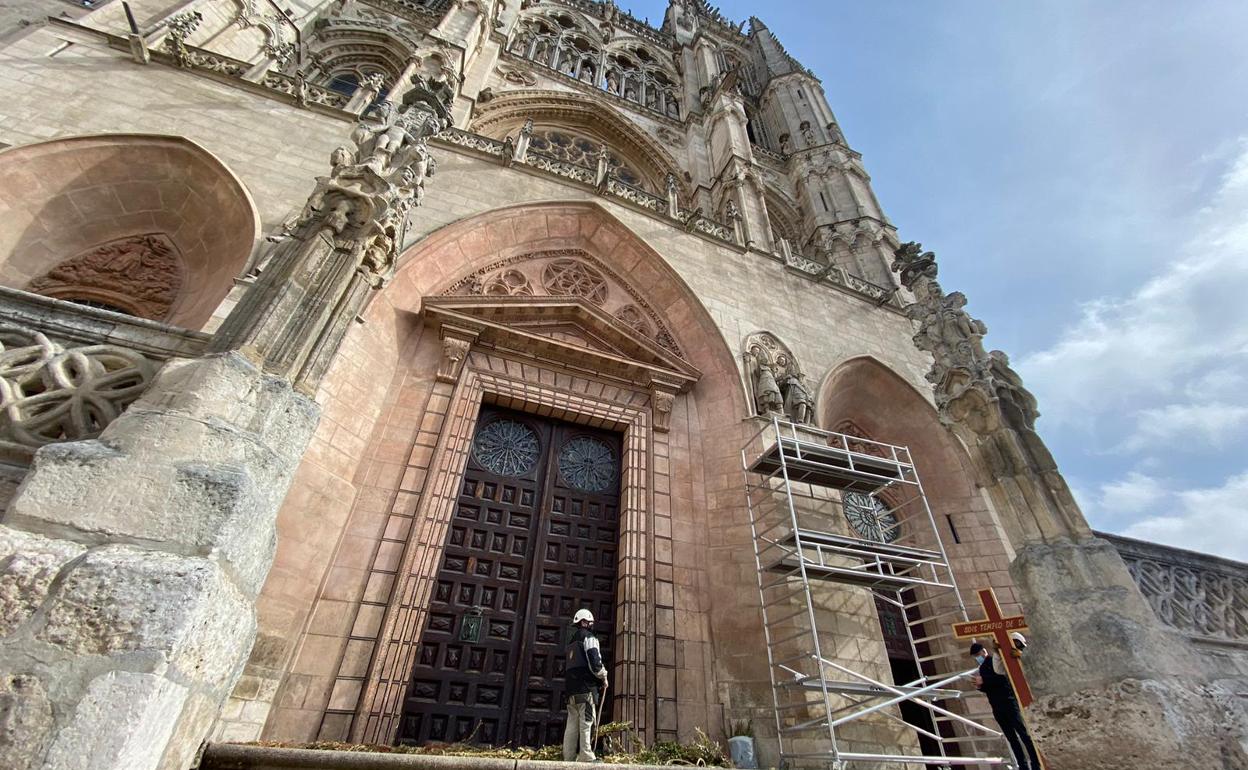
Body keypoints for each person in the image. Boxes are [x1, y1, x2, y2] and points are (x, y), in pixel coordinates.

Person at [970, 640, 1042, 770]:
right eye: (975, 656)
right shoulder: (982, 668)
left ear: (983, 651)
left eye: (977, 654)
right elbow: (989, 687)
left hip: (1008, 702)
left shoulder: (995, 661)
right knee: (1011, 738)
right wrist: (980, 686)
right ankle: (1023, 765)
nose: (977, 658)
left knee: (1023, 734)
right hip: (997, 706)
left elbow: (1002, 678)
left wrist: (984, 680)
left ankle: (1036, 763)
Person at [564, 608, 608, 762]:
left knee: (572, 724)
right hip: (586, 689)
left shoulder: (570, 642)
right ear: (584, 622)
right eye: (590, 622)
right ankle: (586, 755)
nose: (591, 625)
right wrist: (603, 675)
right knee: (586, 722)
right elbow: (595, 664)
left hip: (571, 691)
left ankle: (568, 757)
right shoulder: (589, 638)